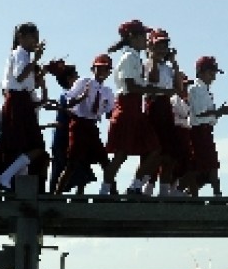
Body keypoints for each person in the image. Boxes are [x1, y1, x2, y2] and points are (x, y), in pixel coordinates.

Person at [102, 19, 161, 196]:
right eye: (143, 35)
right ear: (133, 37)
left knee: (154, 149)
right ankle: (104, 191)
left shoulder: (136, 57)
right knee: (121, 154)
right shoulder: (128, 57)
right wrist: (154, 89)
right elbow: (130, 85)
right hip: (127, 107)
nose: (146, 38)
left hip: (136, 108)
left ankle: (135, 186)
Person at [0, 23, 48, 191]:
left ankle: (10, 177)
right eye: (33, 38)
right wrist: (36, 59)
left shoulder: (24, 55)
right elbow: (19, 77)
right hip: (18, 100)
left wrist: (40, 74)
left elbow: (26, 80)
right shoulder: (20, 54)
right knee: (31, 144)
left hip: (23, 100)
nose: (35, 42)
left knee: (31, 145)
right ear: (21, 37)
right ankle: (7, 176)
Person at [53, 54, 114, 194]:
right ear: (93, 69)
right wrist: (82, 97)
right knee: (72, 162)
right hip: (79, 124)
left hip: (92, 126)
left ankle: (111, 192)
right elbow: (68, 101)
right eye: (99, 68)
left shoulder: (108, 92)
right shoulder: (84, 82)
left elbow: (110, 113)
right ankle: (57, 194)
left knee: (104, 160)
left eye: (105, 69)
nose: (102, 72)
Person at [187, 56, 228, 197]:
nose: (213, 77)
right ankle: (213, 194)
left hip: (207, 131)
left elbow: (210, 115)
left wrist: (221, 112)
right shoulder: (195, 89)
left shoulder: (206, 91)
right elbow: (199, 113)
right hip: (198, 131)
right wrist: (221, 111)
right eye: (211, 73)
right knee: (204, 167)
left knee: (209, 166)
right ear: (200, 72)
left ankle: (193, 193)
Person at [143, 29, 180, 196]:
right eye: (158, 44)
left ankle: (163, 189)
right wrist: (154, 58)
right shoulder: (148, 63)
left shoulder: (167, 67)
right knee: (154, 150)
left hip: (166, 107)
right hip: (154, 105)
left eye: (165, 45)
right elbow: (152, 80)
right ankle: (145, 186)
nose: (162, 48)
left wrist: (174, 63)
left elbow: (178, 89)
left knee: (170, 152)